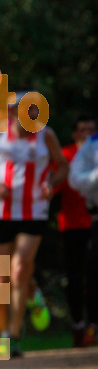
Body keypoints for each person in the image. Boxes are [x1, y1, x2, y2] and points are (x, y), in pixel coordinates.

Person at [0, 93, 68, 357]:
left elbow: (62, 166)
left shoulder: (46, 135)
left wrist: (53, 183)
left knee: (19, 269)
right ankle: (9, 326)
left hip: (34, 211)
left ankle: (12, 336)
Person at [68, 122, 98, 345]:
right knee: (84, 276)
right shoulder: (90, 146)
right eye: (83, 129)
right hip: (78, 223)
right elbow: (72, 179)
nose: (87, 133)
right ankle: (86, 326)